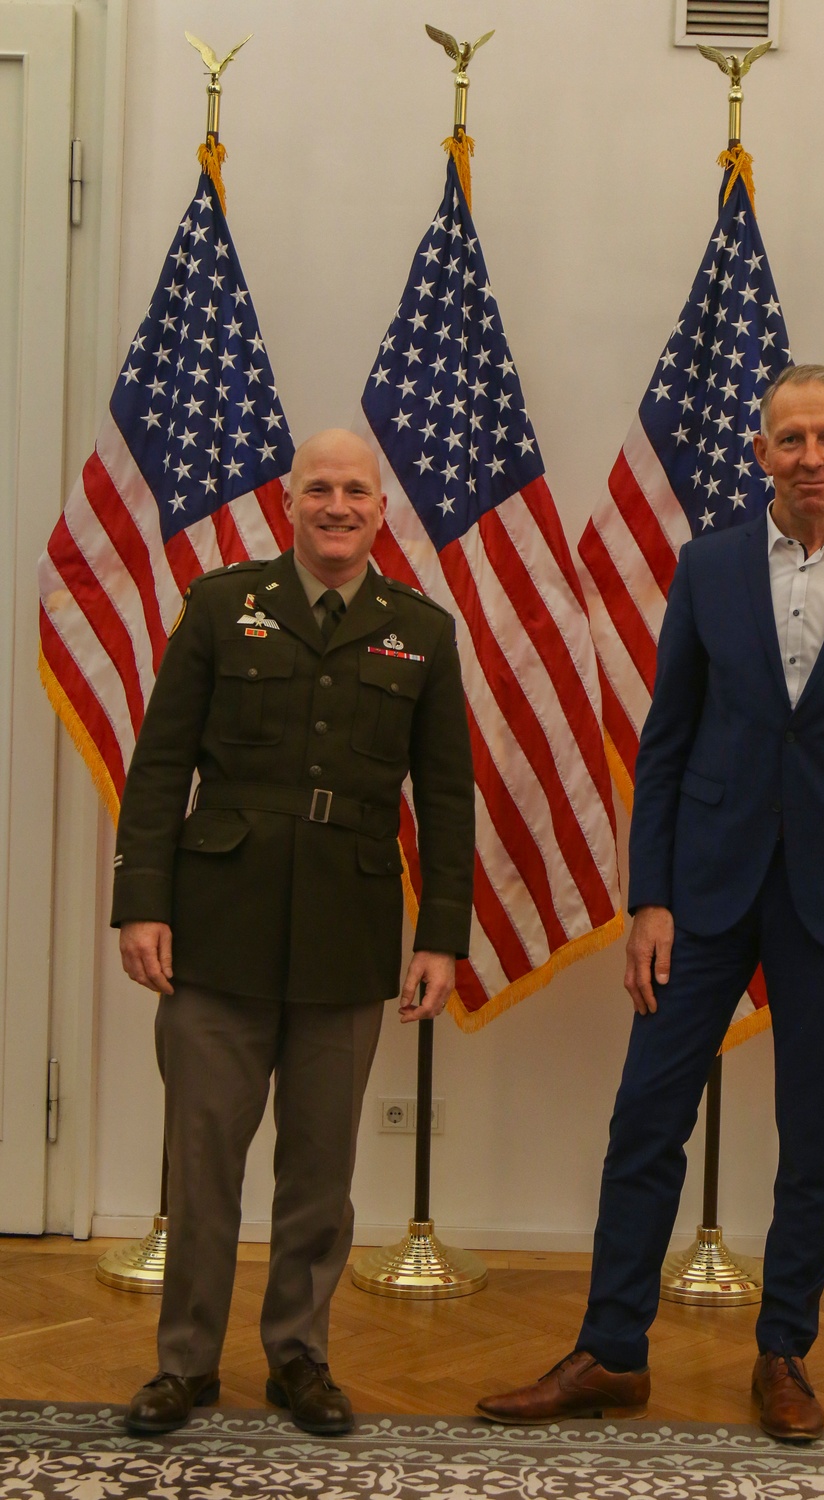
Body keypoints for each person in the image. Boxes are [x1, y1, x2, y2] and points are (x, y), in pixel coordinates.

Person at [476, 366, 824, 1441]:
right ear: (761, 451)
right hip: (703, 894)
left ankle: (783, 1355)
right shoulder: (706, 569)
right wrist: (649, 901)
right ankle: (610, 1351)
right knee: (645, 1116)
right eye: (792, 438)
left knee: (812, 1140)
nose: (811, 456)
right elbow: (667, 746)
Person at [113, 428, 475, 1436]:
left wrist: (441, 934)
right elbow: (158, 765)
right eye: (319, 488)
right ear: (289, 504)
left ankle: (299, 1357)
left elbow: (447, 798)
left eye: (355, 491)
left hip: (347, 937)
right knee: (203, 1163)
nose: (337, 505)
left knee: (320, 1172)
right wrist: (141, 900)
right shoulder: (225, 607)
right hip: (214, 928)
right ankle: (184, 1364)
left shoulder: (421, 630)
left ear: (379, 510)